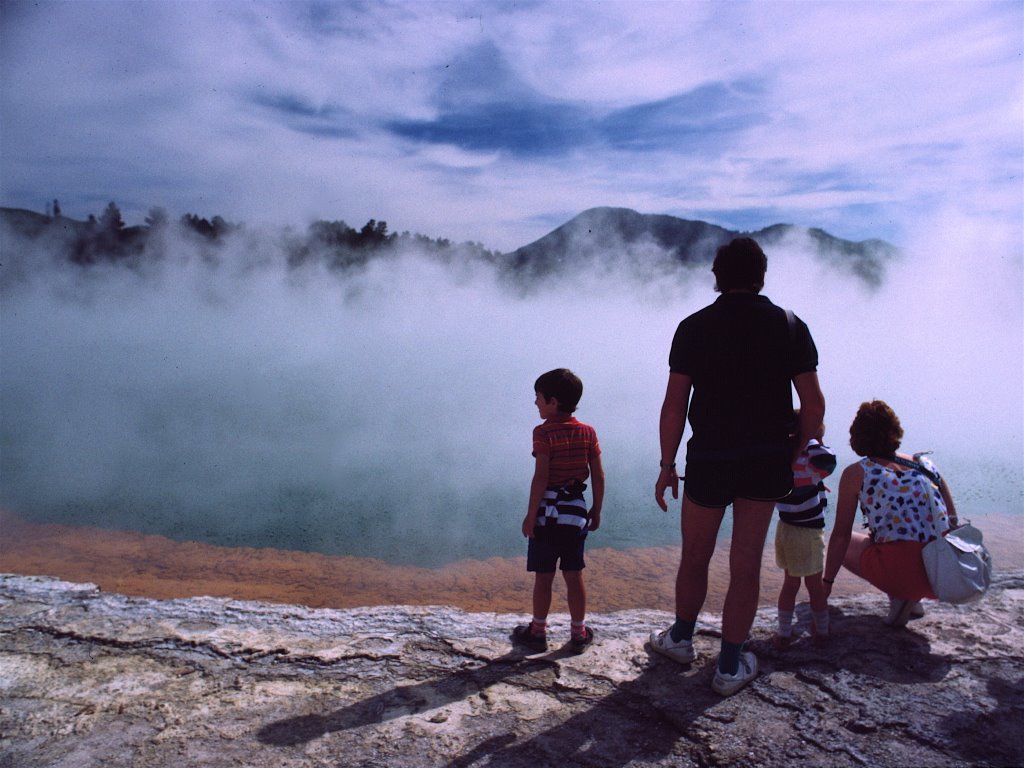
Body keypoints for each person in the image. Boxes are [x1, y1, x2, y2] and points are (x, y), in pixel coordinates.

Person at [652, 237, 826, 697]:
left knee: (695, 555)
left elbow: (674, 406)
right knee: (746, 564)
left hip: (708, 457)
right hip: (765, 461)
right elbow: (813, 405)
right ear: (762, 277)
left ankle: (680, 640)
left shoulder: (693, 327)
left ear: (716, 277)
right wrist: (794, 454)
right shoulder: (790, 325)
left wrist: (668, 463)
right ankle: (730, 666)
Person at [821, 400, 958, 627]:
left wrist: (826, 585)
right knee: (895, 540)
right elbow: (952, 523)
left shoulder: (858, 472)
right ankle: (912, 598)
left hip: (899, 571)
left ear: (857, 436)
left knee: (842, 541)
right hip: (939, 573)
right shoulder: (926, 465)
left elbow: (841, 536)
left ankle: (900, 595)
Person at [514, 368, 605, 654]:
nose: (536, 403)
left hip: (547, 516)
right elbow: (599, 475)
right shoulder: (588, 432)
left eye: (538, 398)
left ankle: (538, 631)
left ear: (553, 402)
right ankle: (578, 632)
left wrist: (530, 515)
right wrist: (597, 510)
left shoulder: (543, 433)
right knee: (573, 573)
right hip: (575, 515)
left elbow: (541, 477)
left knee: (544, 575)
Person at [773, 418, 837, 648]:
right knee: (815, 587)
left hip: (785, 529)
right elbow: (829, 459)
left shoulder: (784, 462)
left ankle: (784, 633)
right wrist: (811, 439)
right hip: (807, 533)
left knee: (789, 584)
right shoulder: (810, 460)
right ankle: (822, 630)